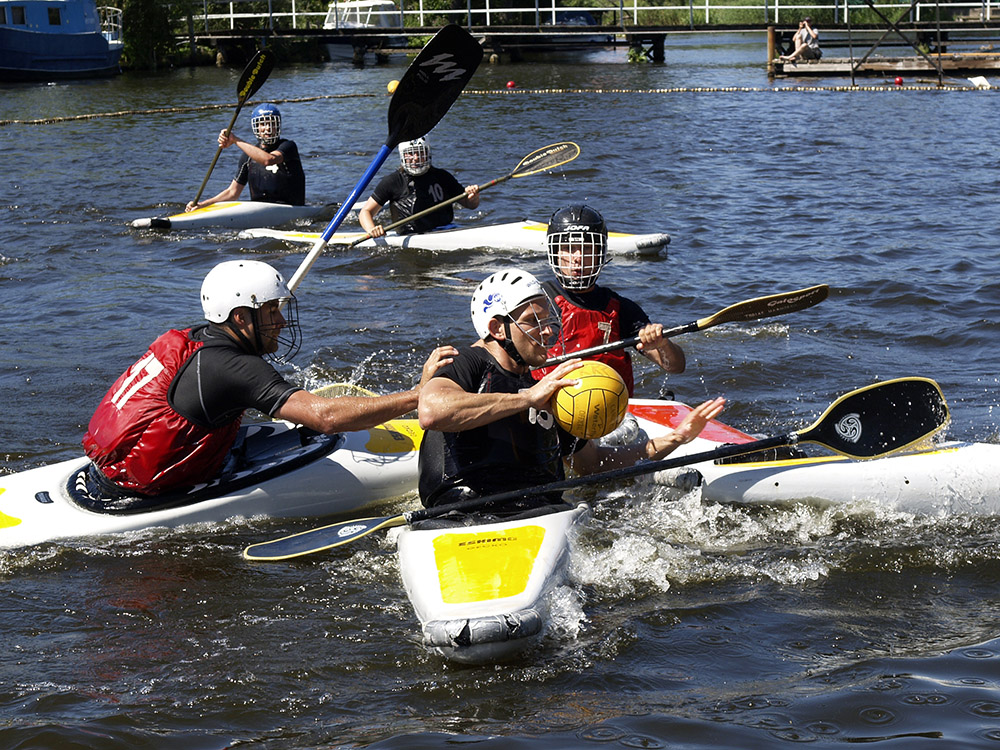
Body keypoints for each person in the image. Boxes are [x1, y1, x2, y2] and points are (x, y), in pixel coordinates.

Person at [83, 259, 454, 500]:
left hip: (111, 469)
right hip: (144, 487)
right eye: (271, 310)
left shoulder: (197, 337)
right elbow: (324, 418)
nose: (280, 320)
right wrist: (417, 396)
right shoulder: (235, 368)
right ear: (241, 318)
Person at [416, 268, 725, 510]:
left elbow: (592, 465)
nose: (549, 330)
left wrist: (676, 438)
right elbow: (431, 412)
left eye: (548, 319)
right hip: (460, 512)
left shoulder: (548, 391)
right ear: (498, 329)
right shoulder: (466, 363)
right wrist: (527, 399)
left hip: (540, 512)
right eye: (534, 321)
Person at [531, 205, 685, 397]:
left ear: (600, 253)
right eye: (569, 249)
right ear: (555, 252)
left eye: (587, 249)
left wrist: (662, 344)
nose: (578, 258)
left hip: (608, 411)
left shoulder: (621, 309)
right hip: (549, 407)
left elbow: (675, 367)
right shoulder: (534, 300)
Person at [186, 103, 306, 211]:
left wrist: (235, 140)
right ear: (256, 128)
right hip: (259, 211)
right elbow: (232, 193)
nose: (268, 128)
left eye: (271, 123)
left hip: (291, 208)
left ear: (278, 126)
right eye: (263, 124)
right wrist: (203, 205)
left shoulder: (288, 146)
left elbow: (268, 160)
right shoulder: (247, 157)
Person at [358, 137, 480, 237]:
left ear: (427, 153)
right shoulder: (392, 181)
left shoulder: (442, 176)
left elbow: (470, 205)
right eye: (410, 154)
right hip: (412, 235)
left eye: (420, 153)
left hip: (447, 229)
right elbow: (365, 212)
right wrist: (372, 229)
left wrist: (472, 196)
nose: (415, 158)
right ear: (403, 156)